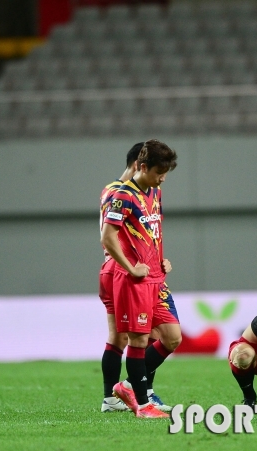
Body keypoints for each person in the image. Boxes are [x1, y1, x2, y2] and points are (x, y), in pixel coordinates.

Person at [101, 140, 179, 419]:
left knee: (172, 337)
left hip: (156, 277)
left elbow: (151, 231)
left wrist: (161, 259)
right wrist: (132, 268)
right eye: (159, 172)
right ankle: (143, 404)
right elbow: (108, 238)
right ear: (142, 166)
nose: (163, 178)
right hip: (134, 279)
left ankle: (127, 386)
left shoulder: (155, 192)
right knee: (136, 339)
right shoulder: (122, 195)